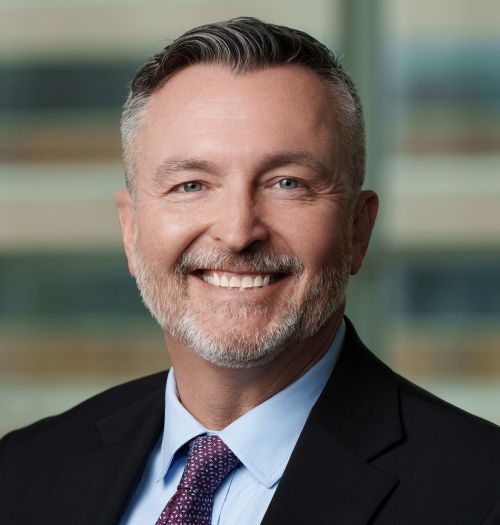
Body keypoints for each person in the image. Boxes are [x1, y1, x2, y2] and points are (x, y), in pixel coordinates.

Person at [1, 17, 500, 525]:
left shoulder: (481, 493)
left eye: (287, 183)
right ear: (131, 231)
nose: (239, 232)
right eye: (191, 185)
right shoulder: (21, 472)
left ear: (357, 230)